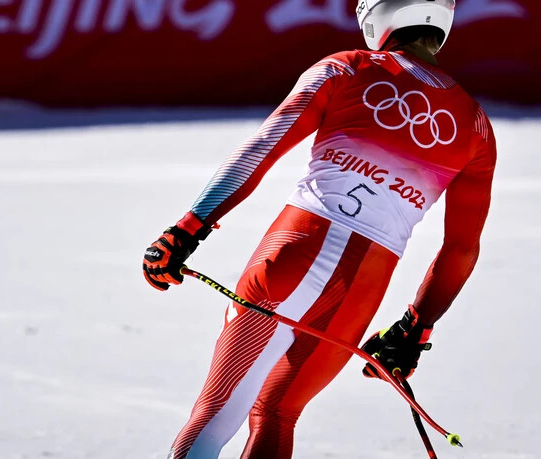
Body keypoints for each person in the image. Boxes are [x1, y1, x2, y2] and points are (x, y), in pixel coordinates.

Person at [142, 0, 496, 457]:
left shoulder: (346, 67)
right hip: (358, 289)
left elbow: (262, 148)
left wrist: (189, 227)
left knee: (215, 415)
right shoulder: (476, 126)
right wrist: (416, 328)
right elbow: (461, 250)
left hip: (292, 252)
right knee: (276, 415)